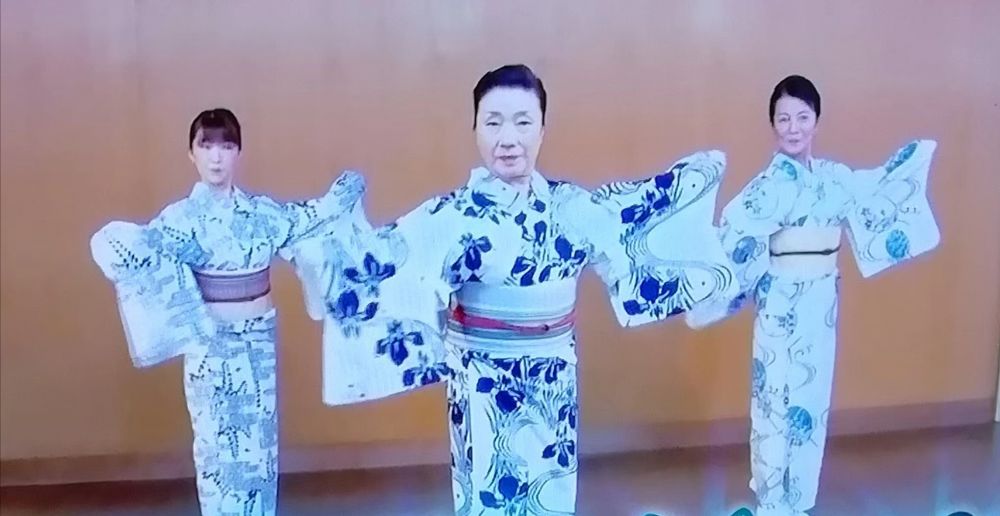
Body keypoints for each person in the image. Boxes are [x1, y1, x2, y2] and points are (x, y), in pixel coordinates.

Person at [292, 64, 738, 515]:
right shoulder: (451, 215)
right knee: (490, 495)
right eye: (493, 123)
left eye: (523, 122)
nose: (508, 138)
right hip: (483, 379)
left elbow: (632, 219)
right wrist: (324, 246)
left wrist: (694, 180)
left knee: (551, 496)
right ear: (475, 129)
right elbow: (382, 261)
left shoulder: (570, 205)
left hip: (553, 376)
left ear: (542, 130)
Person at [89, 108, 367, 515]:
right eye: (206, 146)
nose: (216, 156)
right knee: (217, 450)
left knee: (260, 449)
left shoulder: (261, 213)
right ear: (192, 153)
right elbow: (131, 250)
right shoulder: (180, 220)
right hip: (212, 347)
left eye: (226, 145)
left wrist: (342, 194)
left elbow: (308, 219)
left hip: (259, 343)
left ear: (238, 152)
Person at [686, 75, 941, 515]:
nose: (793, 127)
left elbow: (875, 191)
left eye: (802, 117)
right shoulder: (766, 188)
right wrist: (699, 277)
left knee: (812, 401)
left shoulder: (833, 178)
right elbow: (732, 235)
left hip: (821, 304)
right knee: (775, 400)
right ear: (772, 124)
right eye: (783, 118)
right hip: (780, 305)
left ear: (816, 121)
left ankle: (800, 500)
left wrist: (909, 163)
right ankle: (772, 502)